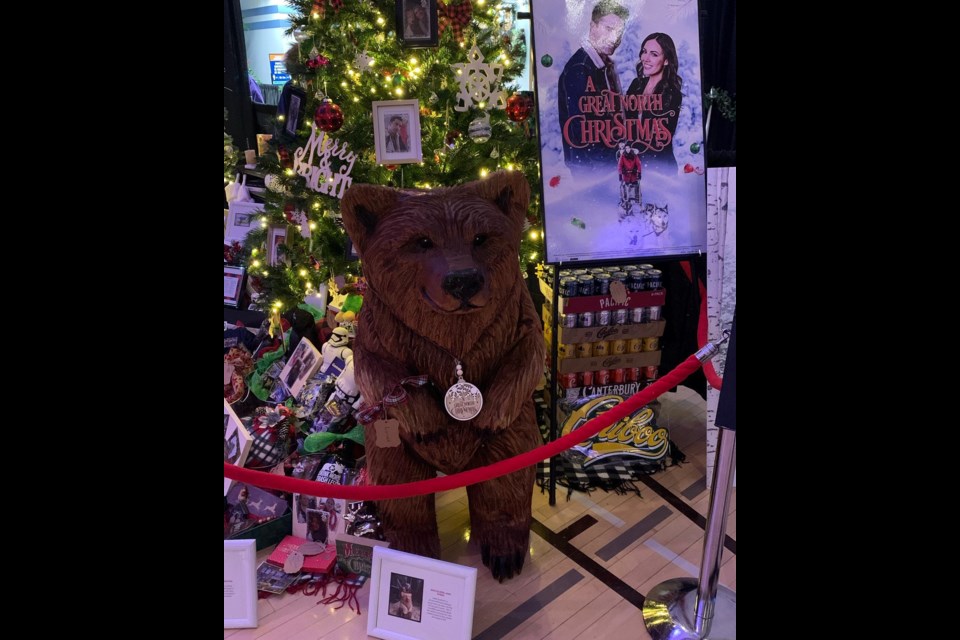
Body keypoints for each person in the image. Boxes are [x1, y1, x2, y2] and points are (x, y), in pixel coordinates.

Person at [557, 1, 630, 171]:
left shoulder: (603, 66)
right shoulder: (580, 68)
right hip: (592, 172)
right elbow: (583, 131)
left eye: (619, 32)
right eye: (608, 29)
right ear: (592, 26)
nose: (614, 38)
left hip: (605, 166)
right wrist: (609, 170)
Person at [624, 33, 682, 175]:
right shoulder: (636, 85)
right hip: (633, 165)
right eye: (644, 52)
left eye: (654, 54)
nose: (646, 58)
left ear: (666, 60)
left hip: (659, 168)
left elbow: (658, 139)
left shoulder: (672, 94)